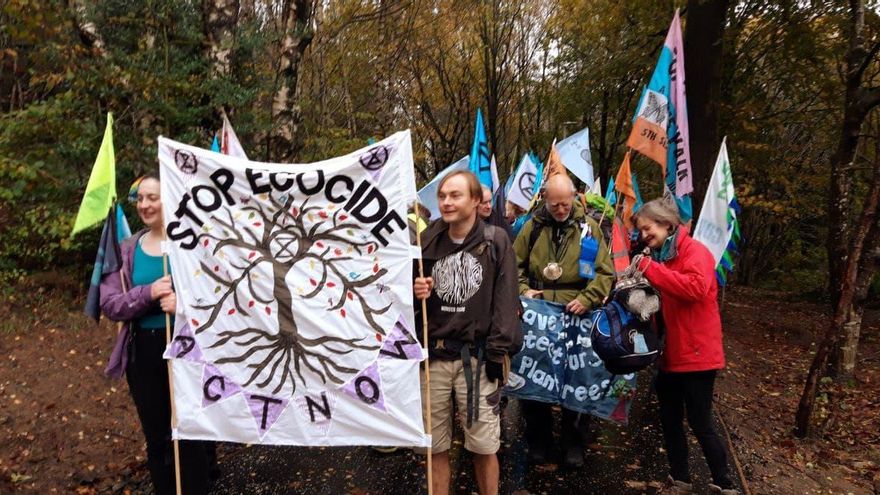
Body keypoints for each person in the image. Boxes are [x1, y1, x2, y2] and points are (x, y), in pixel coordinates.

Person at [100, 174, 213, 495]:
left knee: (189, 433)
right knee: (157, 437)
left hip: (187, 350)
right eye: (141, 199)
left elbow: (219, 300)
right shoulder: (127, 249)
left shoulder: (191, 246)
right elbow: (110, 305)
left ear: (171, 200)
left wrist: (185, 306)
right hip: (143, 352)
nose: (146, 205)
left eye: (154, 197)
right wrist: (147, 293)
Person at [413, 170, 521, 495]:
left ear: (475, 201)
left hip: (477, 358)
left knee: (484, 446)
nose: (446, 201)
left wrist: (497, 351)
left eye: (455, 195)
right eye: (442, 196)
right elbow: (400, 300)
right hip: (432, 358)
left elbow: (506, 300)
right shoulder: (426, 240)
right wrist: (414, 289)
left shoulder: (495, 240)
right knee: (433, 446)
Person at [631, 198, 738, 495]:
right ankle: (680, 480)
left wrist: (651, 270)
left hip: (699, 355)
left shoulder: (695, 252)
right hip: (673, 355)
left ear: (666, 224)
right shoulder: (666, 257)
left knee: (701, 423)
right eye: (641, 231)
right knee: (670, 421)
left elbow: (695, 288)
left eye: (647, 228)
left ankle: (724, 484)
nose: (644, 235)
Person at [513, 174, 614, 468]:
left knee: (575, 381)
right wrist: (522, 291)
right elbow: (513, 264)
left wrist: (587, 299)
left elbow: (605, 273)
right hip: (539, 315)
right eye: (555, 204)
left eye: (565, 203)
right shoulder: (532, 228)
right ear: (545, 199)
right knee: (535, 380)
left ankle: (573, 443)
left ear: (574, 198)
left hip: (576, 316)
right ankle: (538, 442)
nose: (560, 209)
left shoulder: (589, 229)